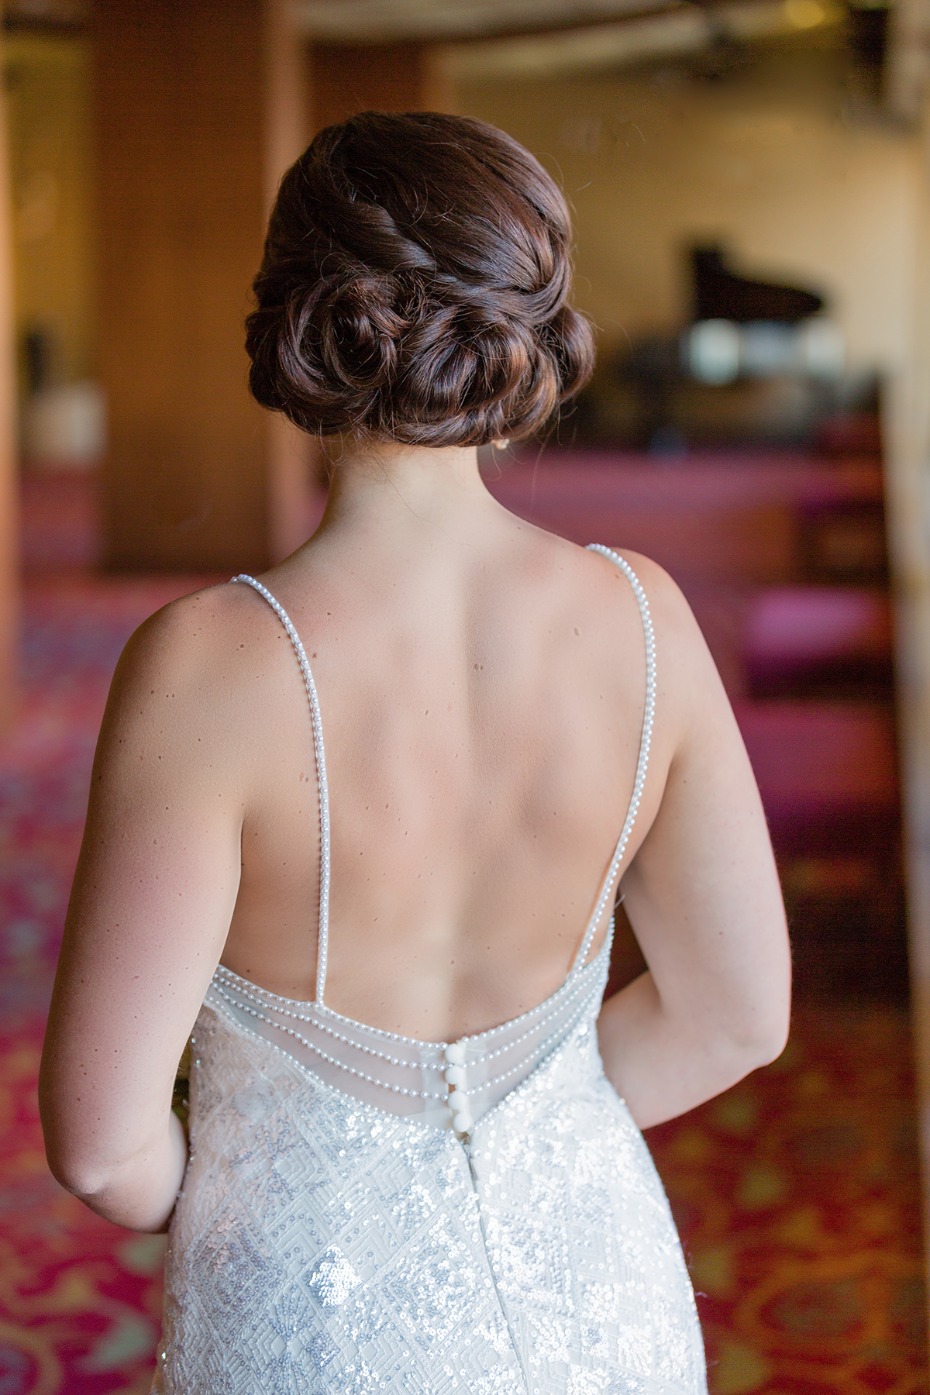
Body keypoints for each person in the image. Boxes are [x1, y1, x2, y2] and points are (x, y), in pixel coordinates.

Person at [39, 111, 791, 1393]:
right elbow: (737, 1016)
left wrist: (287, 1182)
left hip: (313, 1316)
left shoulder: (208, 660)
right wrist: (529, 1137)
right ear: (527, 324)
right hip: (594, 1292)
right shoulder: (646, 622)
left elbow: (105, 1147)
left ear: (294, 321)